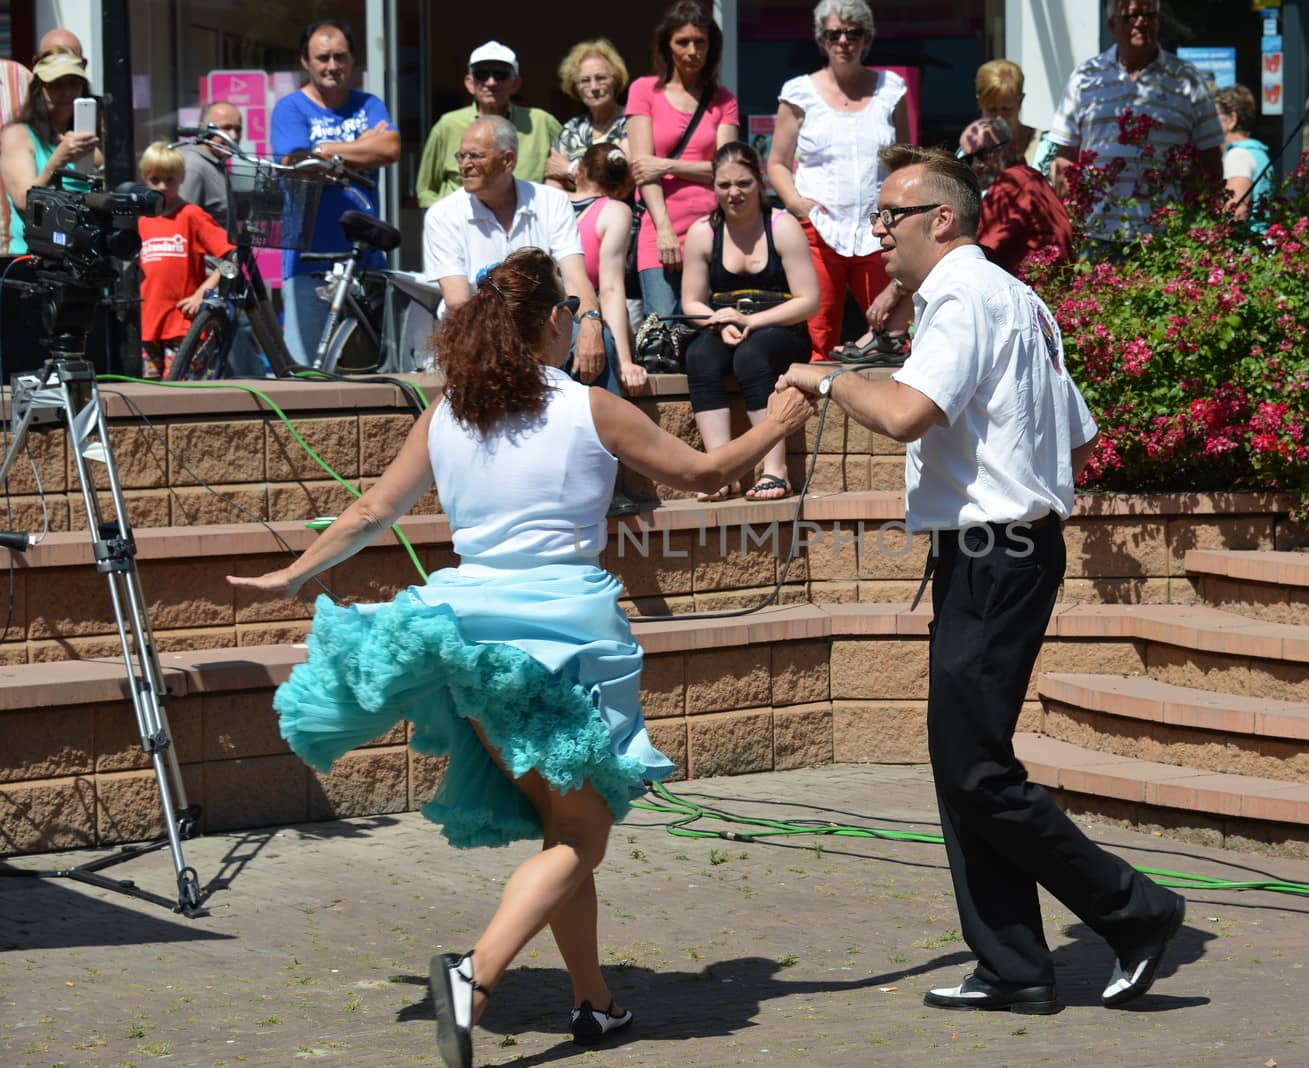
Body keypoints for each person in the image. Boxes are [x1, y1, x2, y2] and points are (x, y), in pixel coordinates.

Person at [225, 246, 816, 1068]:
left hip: (465, 633)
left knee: (564, 822)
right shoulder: (589, 407)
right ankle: (476, 975)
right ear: (548, 320)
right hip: (565, 636)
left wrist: (294, 575)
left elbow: (371, 510)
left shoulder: (448, 412)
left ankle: (594, 1003)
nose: (577, 321)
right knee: (581, 833)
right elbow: (709, 473)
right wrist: (780, 424)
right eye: (572, 310)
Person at [775, 145, 1187, 1014]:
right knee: (963, 761)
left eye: (892, 213)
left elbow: (901, 414)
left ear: (943, 220)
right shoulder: (1017, 297)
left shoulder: (963, 293)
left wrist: (827, 379)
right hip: (999, 552)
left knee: (973, 771)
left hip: (999, 555)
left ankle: (1134, 909)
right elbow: (1074, 434)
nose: (878, 230)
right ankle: (1013, 965)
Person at [422, 116, 634, 397]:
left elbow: (575, 277)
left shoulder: (552, 202)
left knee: (600, 340)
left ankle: (608, 435)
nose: (464, 164)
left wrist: (593, 322)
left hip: (546, 329)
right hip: (479, 332)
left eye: (475, 156)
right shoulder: (443, 215)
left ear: (507, 160)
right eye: (461, 156)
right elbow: (459, 301)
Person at [767, 0, 911, 363]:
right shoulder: (798, 93)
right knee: (819, 338)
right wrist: (797, 206)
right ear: (822, 39)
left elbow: (906, 160)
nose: (843, 41)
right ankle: (815, 415)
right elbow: (777, 164)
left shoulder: (891, 89)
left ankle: (890, 417)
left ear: (866, 39)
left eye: (853, 33)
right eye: (834, 33)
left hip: (879, 231)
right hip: (818, 231)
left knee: (892, 338)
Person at [682, 141, 819, 501]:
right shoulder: (702, 232)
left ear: (759, 182)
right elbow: (690, 301)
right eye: (724, 185)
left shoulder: (782, 226)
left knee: (751, 356)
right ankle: (719, 471)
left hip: (779, 327)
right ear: (713, 187)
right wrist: (717, 322)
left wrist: (751, 322)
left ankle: (775, 471)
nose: (734, 193)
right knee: (700, 356)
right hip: (725, 322)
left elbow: (809, 301)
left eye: (743, 183)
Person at [270, 19, 400, 365]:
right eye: (323, 57)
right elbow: (299, 164)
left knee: (371, 364)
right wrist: (360, 148)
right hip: (308, 260)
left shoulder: (369, 103)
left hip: (365, 257)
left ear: (352, 61)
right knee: (308, 370)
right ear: (305, 62)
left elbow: (389, 148)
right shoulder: (290, 108)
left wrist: (327, 151)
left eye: (340, 57)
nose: (332, 66)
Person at [1042, 0, 1223, 248]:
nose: (1142, 21)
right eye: (1131, 16)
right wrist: (1067, 221)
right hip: (1097, 234)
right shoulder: (1086, 76)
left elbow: (1211, 157)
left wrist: (1206, 221)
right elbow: (1065, 158)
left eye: (1150, 14)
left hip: (1167, 236)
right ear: (1111, 24)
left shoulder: (1185, 78)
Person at [626, 0, 740, 317]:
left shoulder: (723, 99)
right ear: (667, 44)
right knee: (662, 325)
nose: (692, 51)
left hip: (711, 228)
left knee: (709, 323)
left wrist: (668, 165)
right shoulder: (644, 90)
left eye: (700, 42)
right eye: (682, 42)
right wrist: (664, 229)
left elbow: (726, 170)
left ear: (711, 45)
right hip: (659, 226)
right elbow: (642, 170)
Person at [415, 41, 564, 208]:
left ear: (516, 83)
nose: (491, 82)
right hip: (463, 228)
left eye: (501, 74)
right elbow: (425, 190)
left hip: (526, 225)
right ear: (469, 83)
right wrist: (449, 217)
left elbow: (572, 172)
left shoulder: (541, 123)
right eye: (481, 74)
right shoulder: (448, 125)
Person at [135, 142, 232, 379]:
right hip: (150, 324)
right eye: (155, 179)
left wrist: (202, 294)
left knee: (178, 391)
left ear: (181, 179)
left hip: (184, 325)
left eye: (170, 179)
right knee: (150, 391)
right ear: (145, 178)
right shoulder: (141, 220)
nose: (162, 186)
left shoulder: (192, 216)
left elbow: (230, 256)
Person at [0, 48, 99, 255]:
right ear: (39, 90)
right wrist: (56, 162)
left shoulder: (94, 134)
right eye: (56, 85)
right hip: (34, 256)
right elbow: (23, 201)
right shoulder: (17, 136)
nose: (67, 92)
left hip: (85, 255)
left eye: (74, 83)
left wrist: (101, 164)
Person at [567, 143, 646, 387]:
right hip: (584, 319)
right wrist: (624, 361)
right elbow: (610, 287)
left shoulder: (551, 203)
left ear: (580, 170)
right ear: (623, 184)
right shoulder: (615, 211)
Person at [959, 117, 1072, 276]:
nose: (978, 165)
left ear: (1012, 147)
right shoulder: (1030, 176)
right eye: (969, 159)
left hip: (1036, 290)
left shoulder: (1013, 182)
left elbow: (971, 248)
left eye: (985, 153)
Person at [548, 39, 631, 190]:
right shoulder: (570, 129)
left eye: (601, 78)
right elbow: (553, 184)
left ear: (616, 80)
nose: (594, 87)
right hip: (572, 213)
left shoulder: (631, 122)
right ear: (575, 87)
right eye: (585, 80)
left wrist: (570, 169)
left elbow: (620, 183)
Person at [1214, 84, 1272, 227]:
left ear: (1231, 119)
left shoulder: (1238, 156)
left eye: (1212, 117)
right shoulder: (1256, 151)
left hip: (1246, 246)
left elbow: (1235, 214)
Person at [179, 100, 243, 226]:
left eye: (238, 129)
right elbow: (184, 224)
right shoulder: (193, 166)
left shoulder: (216, 164)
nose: (234, 136)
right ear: (203, 129)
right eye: (226, 128)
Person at [975, 59, 1043, 173]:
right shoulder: (969, 155)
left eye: (1006, 109)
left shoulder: (1047, 148)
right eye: (992, 110)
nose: (999, 118)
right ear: (980, 104)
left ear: (1020, 101)